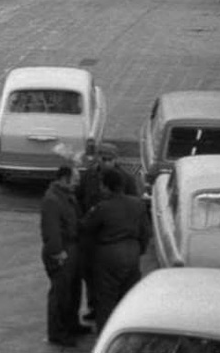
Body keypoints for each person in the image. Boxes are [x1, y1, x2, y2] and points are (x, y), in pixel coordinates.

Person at [76, 142, 141, 323]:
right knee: (90, 275)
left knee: (111, 285)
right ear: (98, 158)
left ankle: (112, 315)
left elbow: (135, 209)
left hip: (111, 238)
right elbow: (80, 199)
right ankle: (93, 306)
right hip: (92, 237)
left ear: (116, 160)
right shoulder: (88, 176)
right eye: (103, 159)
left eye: (110, 160)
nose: (106, 163)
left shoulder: (126, 179)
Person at [80, 167, 151, 334]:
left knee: (105, 299)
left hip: (108, 255)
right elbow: (146, 232)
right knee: (127, 297)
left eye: (102, 186)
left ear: (106, 186)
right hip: (132, 254)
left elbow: (85, 228)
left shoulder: (102, 208)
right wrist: (138, 249)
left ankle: (106, 335)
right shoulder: (137, 204)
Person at [40, 164, 89, 348]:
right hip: (62, 251)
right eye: (74, 180)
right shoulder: (52, 200)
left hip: (73, 249)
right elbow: (51, 231)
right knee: (60, 294)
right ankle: (57, 332)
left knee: (74, 290)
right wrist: (57, 253)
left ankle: (72, 324)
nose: (77, 183)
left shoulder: (67, 196)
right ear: (64, 178)